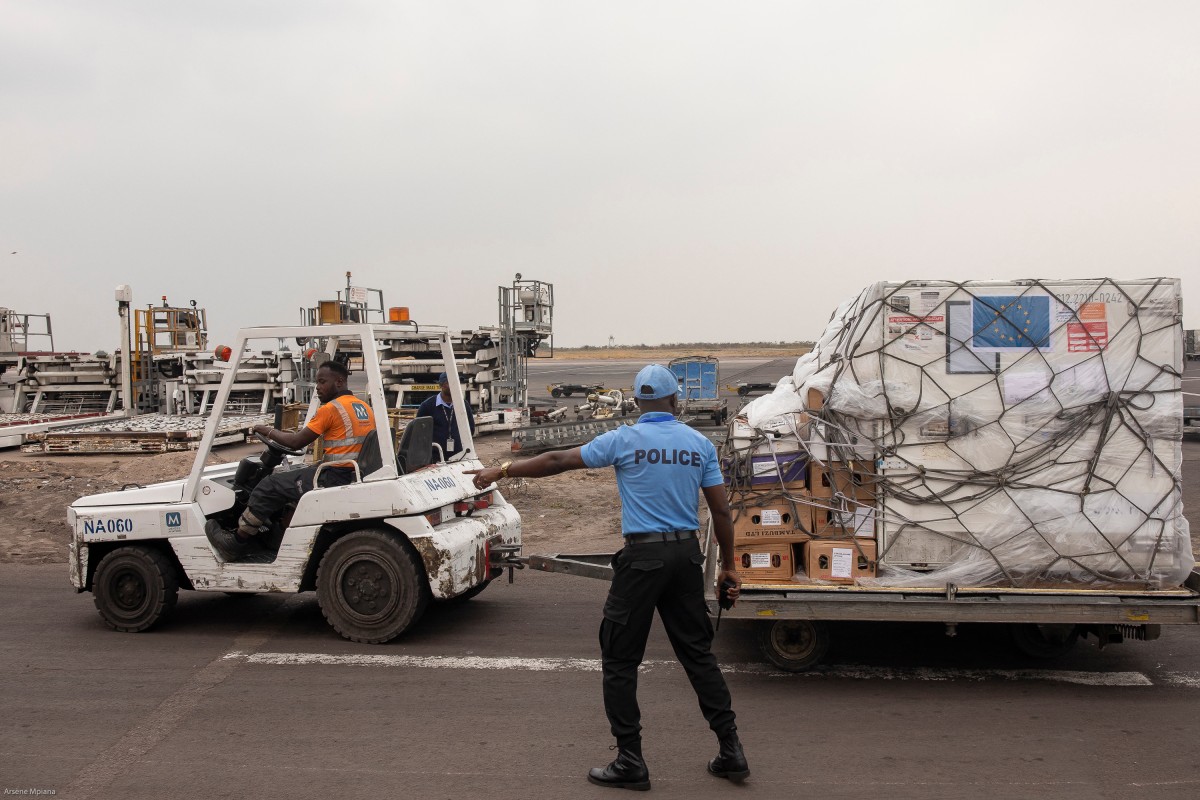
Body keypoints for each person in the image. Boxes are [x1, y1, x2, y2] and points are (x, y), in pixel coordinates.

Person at [466, 364, 748, 791]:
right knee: (698, 656)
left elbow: (559, 460)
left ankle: (630, 761)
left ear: (636, 403)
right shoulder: (698, 444)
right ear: (675, 402)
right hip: (686, 556)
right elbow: (722, 512)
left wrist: (501, 470)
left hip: (642, 560)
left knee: (619, 660)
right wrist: (728, 565)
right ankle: (731, 751)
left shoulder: (623, 439)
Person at [205, 360, 377, 561]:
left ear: (339, 382)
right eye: (316, 382)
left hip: (334, 476)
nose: (317, 388)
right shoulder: (362, 406)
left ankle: (237, 541)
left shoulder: (331, 409)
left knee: (269, 485)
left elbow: (296, 442)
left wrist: (268, 430)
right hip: (349, 472)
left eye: (322, 382)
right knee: (291, 480)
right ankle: (277, 538)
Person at [416, 371, 475, 459]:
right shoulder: (427, 406)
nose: (455, 385)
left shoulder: (463, 405)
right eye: (450, 382)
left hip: (459, 454)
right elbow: (419, 431)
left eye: (457, 382)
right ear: (441, 385)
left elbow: (470, 428)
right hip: (435, 455)